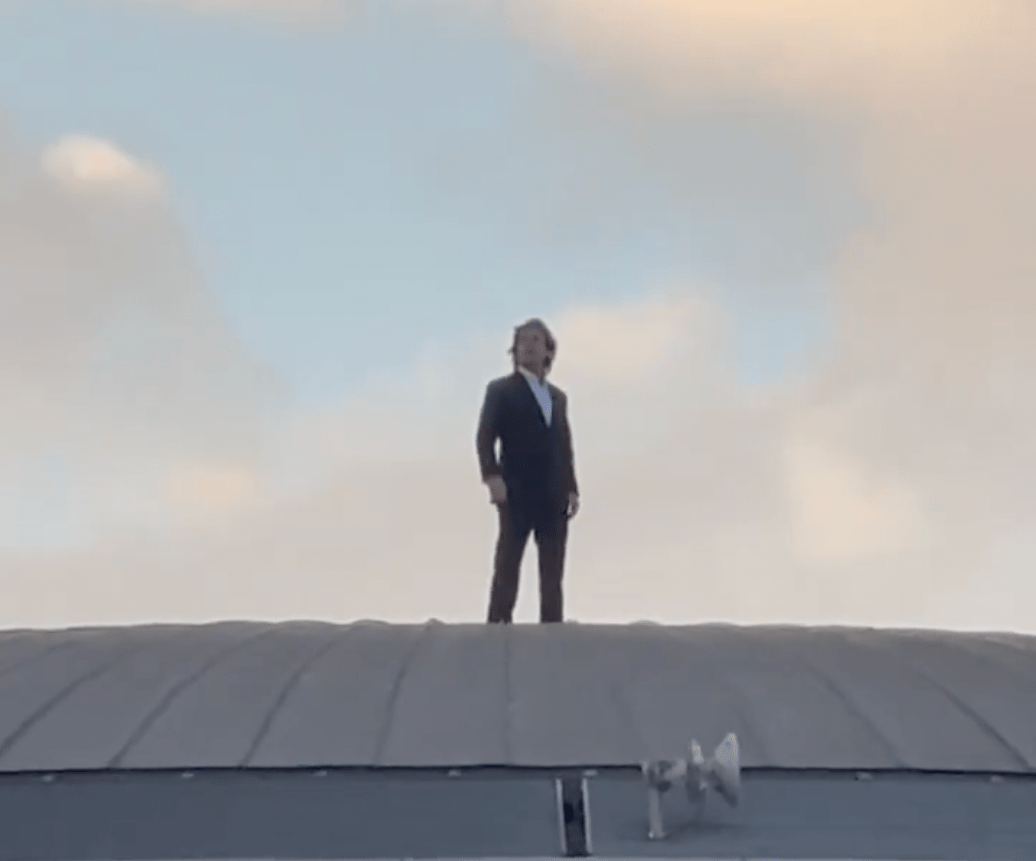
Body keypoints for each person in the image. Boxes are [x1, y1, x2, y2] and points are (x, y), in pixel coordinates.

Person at [476, 318, 580, 624]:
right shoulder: (501, 390)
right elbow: (484, 436)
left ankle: (552, 625)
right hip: (516, 488)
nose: (528, 346)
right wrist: (492, 477)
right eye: (522, 341)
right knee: (509, 558)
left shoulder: (558, 398)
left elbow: (564, 443)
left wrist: (572, 486)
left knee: (553, 567)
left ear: (548, 351)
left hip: (553, 492)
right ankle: (497, 623)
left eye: (535, 340)